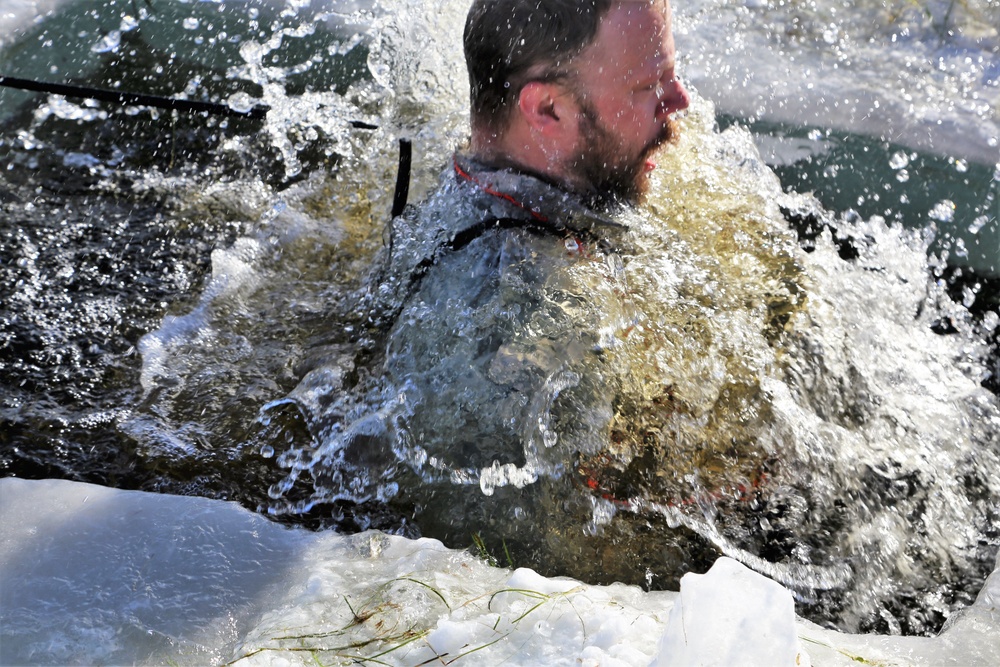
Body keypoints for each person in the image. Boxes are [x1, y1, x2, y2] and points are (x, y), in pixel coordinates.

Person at [327, 0, 775, 586]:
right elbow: (542, 589)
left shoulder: (486, 184)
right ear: (548, 108)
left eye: (670, 75)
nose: (680, 101)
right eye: (648, 85)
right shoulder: (517, 327)